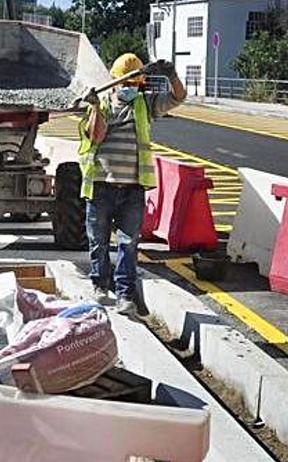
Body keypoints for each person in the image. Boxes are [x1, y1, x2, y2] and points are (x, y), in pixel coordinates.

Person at [78, 53, 186, 317]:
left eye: (134, 84)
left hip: (133, 188)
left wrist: (171, 76)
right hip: (102, 185)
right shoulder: (101, 103)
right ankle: (100, 286)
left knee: (128, 243)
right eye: (125, 84)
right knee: (98, 241)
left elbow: (178, 98)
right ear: (114, 82)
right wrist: (93, 108)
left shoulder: (144, 104)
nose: (129, 89)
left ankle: (125, 294)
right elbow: (96, 136)